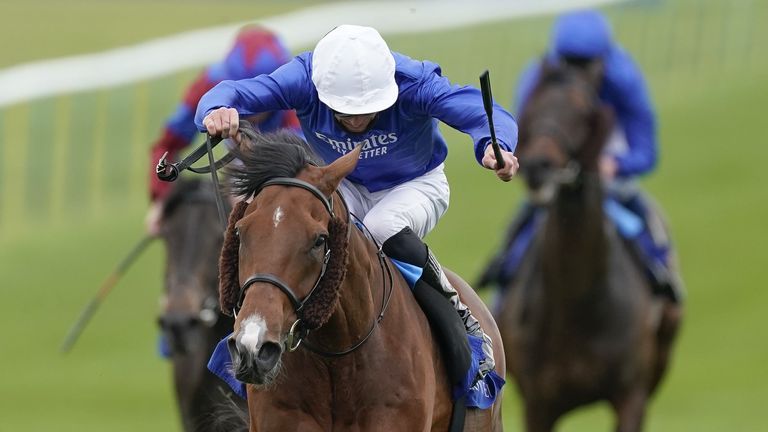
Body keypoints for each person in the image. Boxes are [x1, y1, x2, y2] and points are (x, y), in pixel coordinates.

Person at [195, 24, 519, 384]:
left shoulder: (413, 82)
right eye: (345, 111)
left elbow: (475, 109)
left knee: (381, 228)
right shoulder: (304, 77)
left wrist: (495, 144)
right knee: (294, 227)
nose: (357, 120)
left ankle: (461, 318)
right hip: (342, 183)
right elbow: (235, 91)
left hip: (413, 184)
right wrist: (216, 109)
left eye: (369, 109)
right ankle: (258, 334)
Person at [478, 10, 681, 302]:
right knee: (522, 223)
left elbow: (646, 152)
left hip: (610, 175)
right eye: (568, 63)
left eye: (584, 65)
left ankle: (661, 278)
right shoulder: (536, 78)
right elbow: (518, 138)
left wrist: (616, 165)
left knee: (647, 222)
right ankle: (502, 279)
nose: (575, 74)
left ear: (603, 61)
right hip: (559, 172)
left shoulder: (625, 79)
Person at [146, 25, 300, 235]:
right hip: (240, 163)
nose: (247, 108)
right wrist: (161, 198)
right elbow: (166, 145)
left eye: (259, 98)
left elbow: (304, 162)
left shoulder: (298, 90)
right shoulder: (208, 84)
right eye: (238, 95)